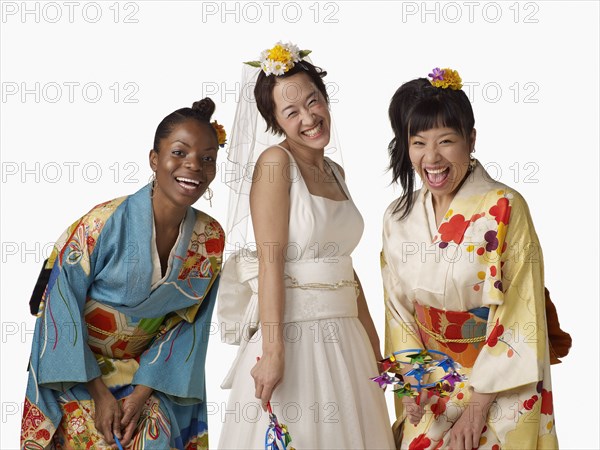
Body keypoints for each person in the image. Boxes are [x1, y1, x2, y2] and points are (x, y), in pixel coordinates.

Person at [20, 98, 226, 449]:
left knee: (151, 435)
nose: (194, 166)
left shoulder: (211, 238)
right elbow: (59, 304)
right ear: (154, 159)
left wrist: (144, 391)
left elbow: (188, 326)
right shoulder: (103, 223)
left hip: (151, 371)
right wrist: (100, 395)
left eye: (207, 158)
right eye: (180, 152)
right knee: (100, 437)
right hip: (77, 365)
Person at [217, 42, 395, 449]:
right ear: (275, 121)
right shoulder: (276, 165)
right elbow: (269, 262)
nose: (309, 118)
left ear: (325, 98)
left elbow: (345, 268)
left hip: (346, 336)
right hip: (296, 339)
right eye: (291, 112)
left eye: (313, 102)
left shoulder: (336, 170)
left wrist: (373, 345)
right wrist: (274, 350)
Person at [381, 68, 558, 449]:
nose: (432, 158)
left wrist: (477, 410)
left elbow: (520, 312)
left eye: (446, 141)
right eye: (418, 143)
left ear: (471, 139)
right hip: (433, 386)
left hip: (496, 386)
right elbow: (398, 314)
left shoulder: (504, 207)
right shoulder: (398, 216)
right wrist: (413, 387)